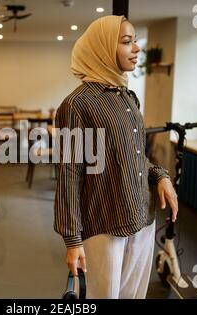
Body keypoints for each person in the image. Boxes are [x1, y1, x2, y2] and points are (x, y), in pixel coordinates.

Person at [54, 15, 179, 299]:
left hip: (142, 216)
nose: (136, 48)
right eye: (126, 42)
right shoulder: (77, 104)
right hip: (104, 222)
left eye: (135, 41)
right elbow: (69, 174)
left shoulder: (128, 98)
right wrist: (72, 240)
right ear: (102, 48)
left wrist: (160, 176)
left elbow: (135, 157)